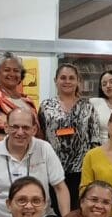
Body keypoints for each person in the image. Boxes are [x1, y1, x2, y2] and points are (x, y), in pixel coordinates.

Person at [0, 108, 70, 217]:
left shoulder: (44, 148)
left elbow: (60, 188)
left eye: (26, 128)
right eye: (15, 127)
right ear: (6, 127)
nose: (20, 132)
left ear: (34, 130)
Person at [39, 63, 101, 209]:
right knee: (54, 210)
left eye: (71, 78)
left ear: (78, 81)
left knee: (78, 211)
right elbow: (40, 136)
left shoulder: (87, 106)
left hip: (81, 169)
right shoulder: (46, 106)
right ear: (56, 81)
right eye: (63, 78)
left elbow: (95, 139)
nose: (67, 81)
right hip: (53, 167)